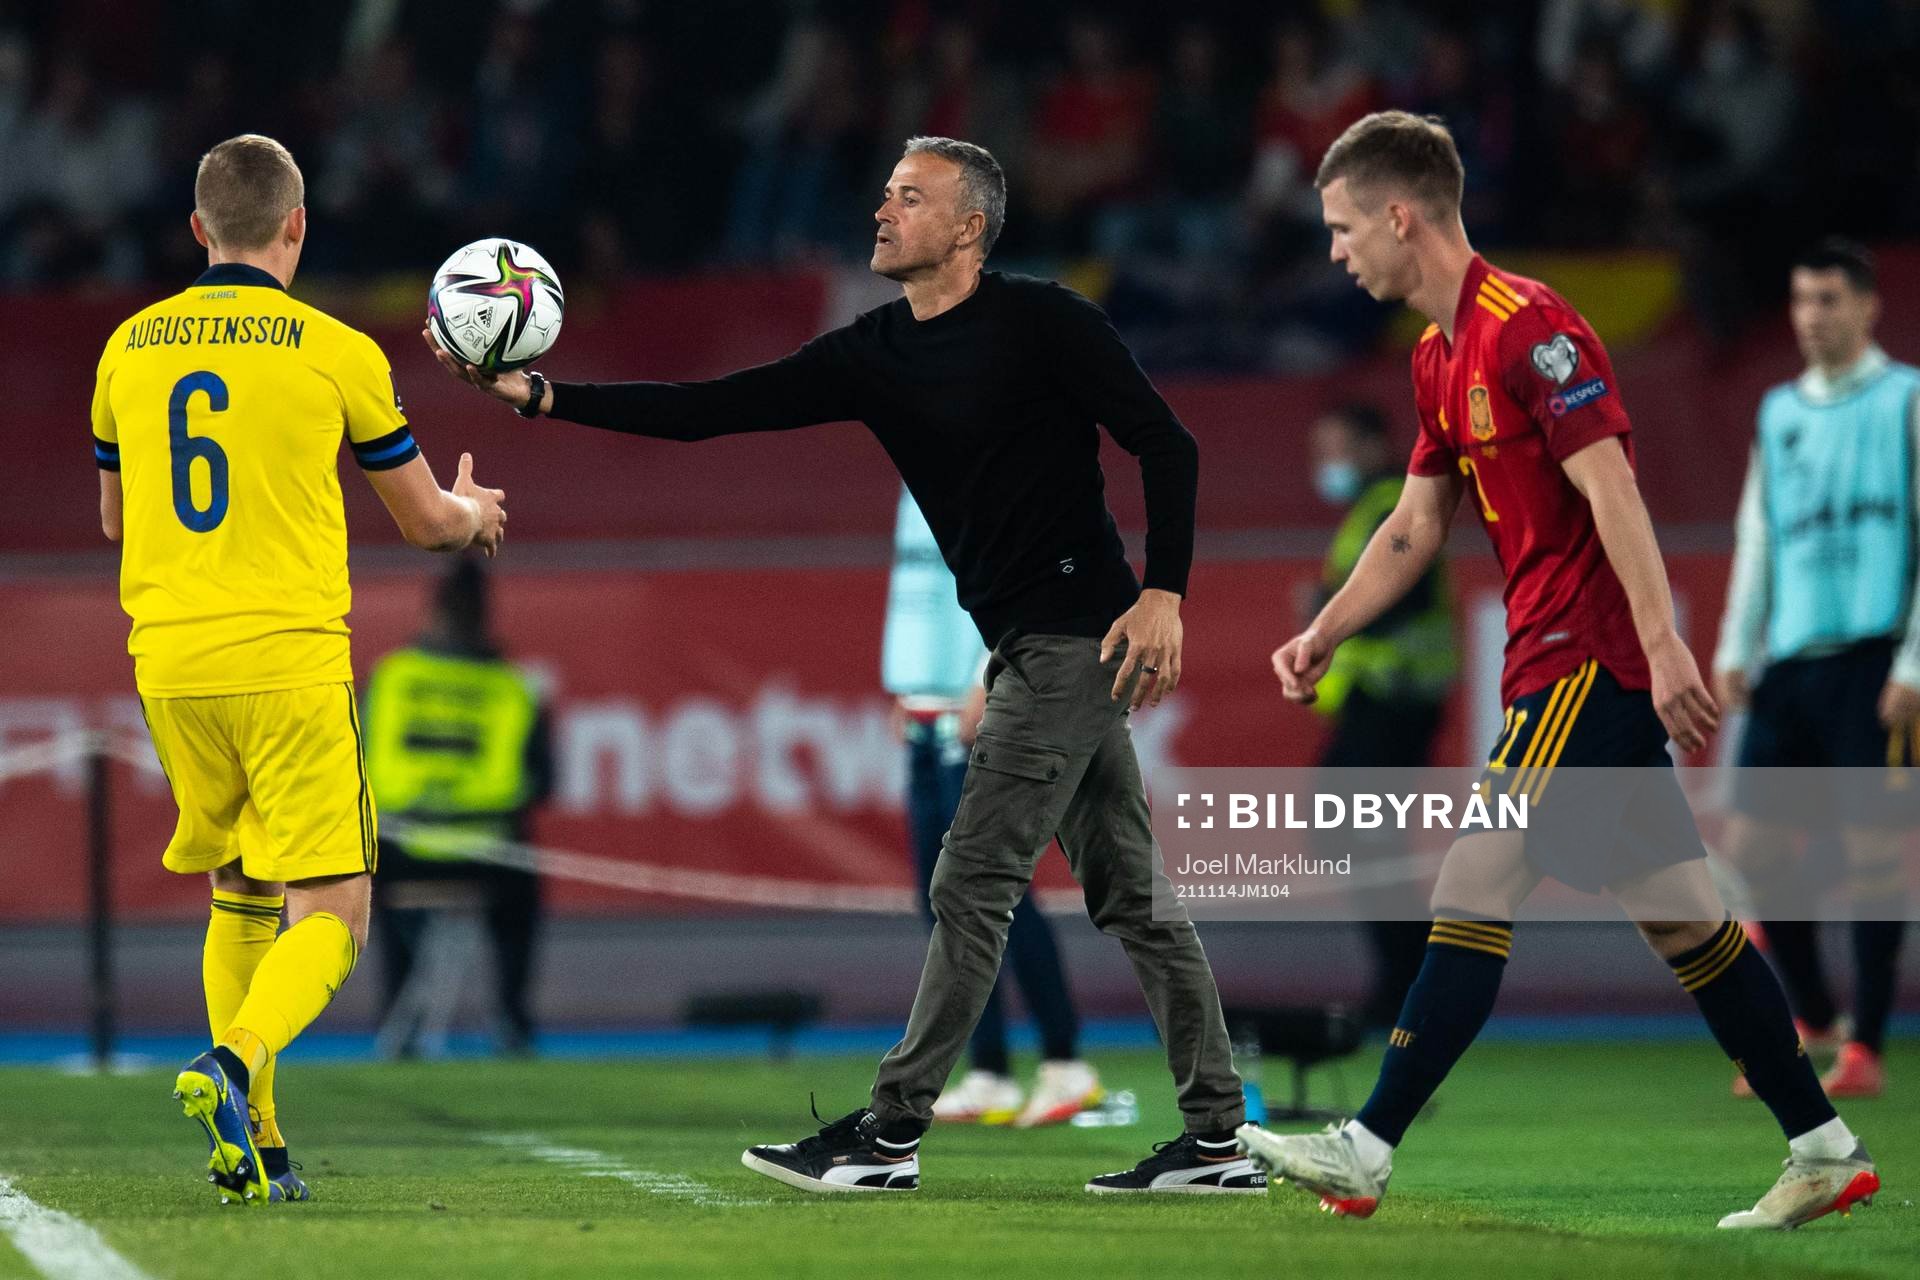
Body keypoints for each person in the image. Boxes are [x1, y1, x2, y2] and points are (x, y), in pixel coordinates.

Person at [427, 135, 1256, 1195]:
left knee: (968, 883)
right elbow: (709, 411)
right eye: (883, 192)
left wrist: (1166, 589)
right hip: (1031, 648)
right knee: (1132, 898)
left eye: (909, 197)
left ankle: (890, 1132)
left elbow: (1168, 442)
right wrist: (545, 401)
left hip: (1069, 644)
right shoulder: (875, 353)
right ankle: (1219, 1138)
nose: (881, 209)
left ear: (967, 226)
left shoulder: (1046, 321)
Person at [1243, 111, 1876, 1229]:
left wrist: (1666, 640)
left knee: (1471, 884)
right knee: (1689, 923)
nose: (1337, 249)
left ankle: (1368, 1142)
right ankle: (1822, 1145)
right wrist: (1327, 628)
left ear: (1402, 215)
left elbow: (1612, 488)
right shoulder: (1440, 357)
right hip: (1565, 669)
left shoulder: (1529, 328)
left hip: (1581, 663)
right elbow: (1413, 526)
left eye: (1344, 226)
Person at [91, 134, 506, 1205]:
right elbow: (423, 522)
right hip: (287, 656)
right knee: (339, 907)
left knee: (242, 888)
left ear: (197, 229)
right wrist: (474, 513)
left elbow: (114, 515)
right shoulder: (334, 349)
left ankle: (259, 1143)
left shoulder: (127, 347)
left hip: (171, 661)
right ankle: (230, 1064)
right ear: (297, 226)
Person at [1713, 239, 1918, 1101]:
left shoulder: (1907, 400)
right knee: (1754, 848)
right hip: (1791, 659)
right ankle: (1813, 1013)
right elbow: (1758, 534)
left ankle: (1864, 1046)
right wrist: (1732, 642)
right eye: (1801, 300)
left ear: (1868, 307)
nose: (1812, 316)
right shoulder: (1779, 411)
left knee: (1879, 856)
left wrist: (1915, 659)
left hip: (1876, 656)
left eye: (1829, 299)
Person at [883, 484, 1102, 1126]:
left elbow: (1029, 576)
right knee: (944, 898)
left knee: (995, 893)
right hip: (929, 712)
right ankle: (990, 1071)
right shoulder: (914, 474)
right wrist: (910, 680)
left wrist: (992, 672)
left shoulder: (982, 462)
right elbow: (923, 589)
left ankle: (1065, 1062)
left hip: (975, 710)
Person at [1306, 402, 1458, 1027]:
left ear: (1371, 446)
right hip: (1377, 700)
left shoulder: (1395, 503)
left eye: (1336, 447)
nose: (1326, 464)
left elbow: (1405, 592)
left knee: (1368, 844)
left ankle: (1413, 991)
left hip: (1395, 697)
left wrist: (1327, 613)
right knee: (1353, 839)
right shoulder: (1369, 510)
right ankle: (1408, 986)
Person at [365, 557, 554, 1057]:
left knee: (380, 896)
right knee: (522, 896)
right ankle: (513, 1024)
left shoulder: (393, 676)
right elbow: (543, 783)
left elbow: (351, 764)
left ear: (433, 611)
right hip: (486, 855)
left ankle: (395, 1018)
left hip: (401, 852)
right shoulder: (513, 687)